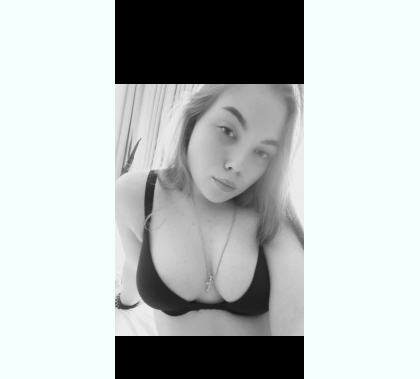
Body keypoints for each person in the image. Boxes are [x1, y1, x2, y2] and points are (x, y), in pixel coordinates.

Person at [115, 84, 304, 336]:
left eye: (262, 152)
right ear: (195, 116)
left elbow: (296, 323)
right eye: (227, 131)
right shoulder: (136, 194)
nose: (237, 165)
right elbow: (134, 262)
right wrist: (126, 301)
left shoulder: (274, 220)